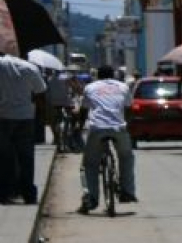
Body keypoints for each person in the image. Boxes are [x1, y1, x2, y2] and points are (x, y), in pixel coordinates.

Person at [77, 65, 136, 213]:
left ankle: (91, 198)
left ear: (97, 75)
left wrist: (78, 127)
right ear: (114, 74)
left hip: (97, 128)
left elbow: (84, 110)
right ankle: (127, 192)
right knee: (126, 157)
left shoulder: (90, 88)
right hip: (118, 128)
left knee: (90, 164)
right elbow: (128, 108)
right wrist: (127, 127)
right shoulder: (123, 87)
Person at [0, 49, 47, 204]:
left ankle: (5, 193)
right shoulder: (30, 67)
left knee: (4, 156)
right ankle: (29, 194)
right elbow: (40, 91)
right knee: (26, 157)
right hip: (26, 117)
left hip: (3, 116)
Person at [44, 69, 74, 151]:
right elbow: (71, 89)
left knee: (52, 122)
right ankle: (67, 137)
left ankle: (56, 138)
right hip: (66, 102)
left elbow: (47, 92)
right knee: (69, 119)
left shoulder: (49, 79)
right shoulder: (67, 77)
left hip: (53, 103)